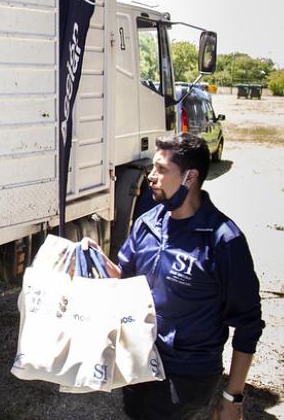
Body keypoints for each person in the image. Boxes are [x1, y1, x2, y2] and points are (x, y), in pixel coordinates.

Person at [87, 133, 264, 420]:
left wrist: (233, 397)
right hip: (139, 359)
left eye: (161, 169)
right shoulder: (147, 224)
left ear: (189, 177)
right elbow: (127, 284)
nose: (152, 177)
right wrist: (95, 259)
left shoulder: (223, 241)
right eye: (152, 168)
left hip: (187, 374)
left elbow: (248, 324)